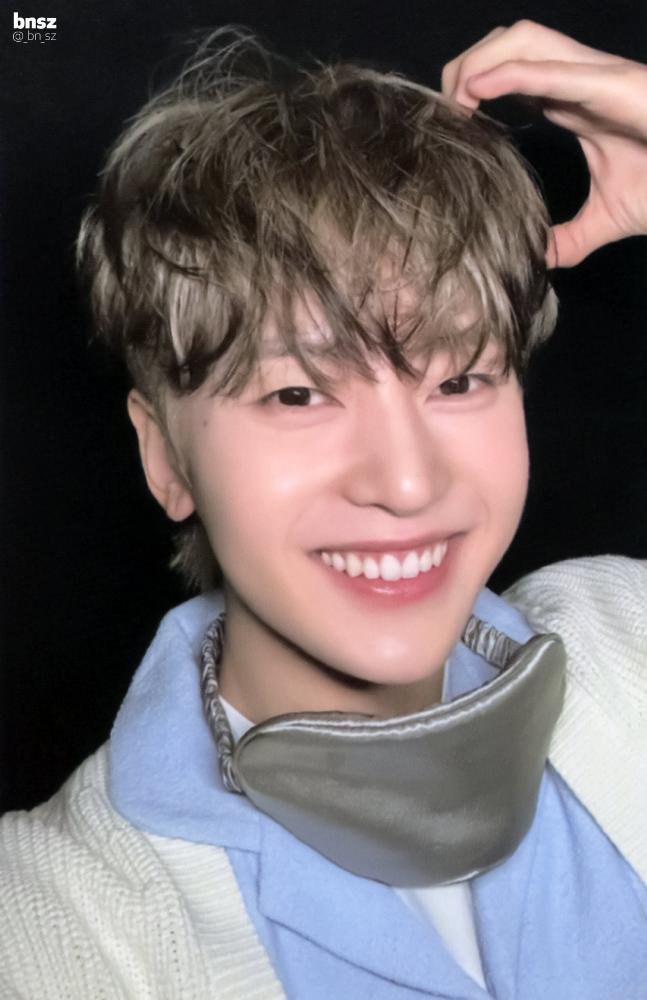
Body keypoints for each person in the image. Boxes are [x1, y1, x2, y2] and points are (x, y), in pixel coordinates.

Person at [1, 19, 645, 999]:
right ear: (163, 453)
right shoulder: (50, 914)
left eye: (460, 379)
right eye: (297, 394)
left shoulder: (626, 644)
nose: (406, 483)